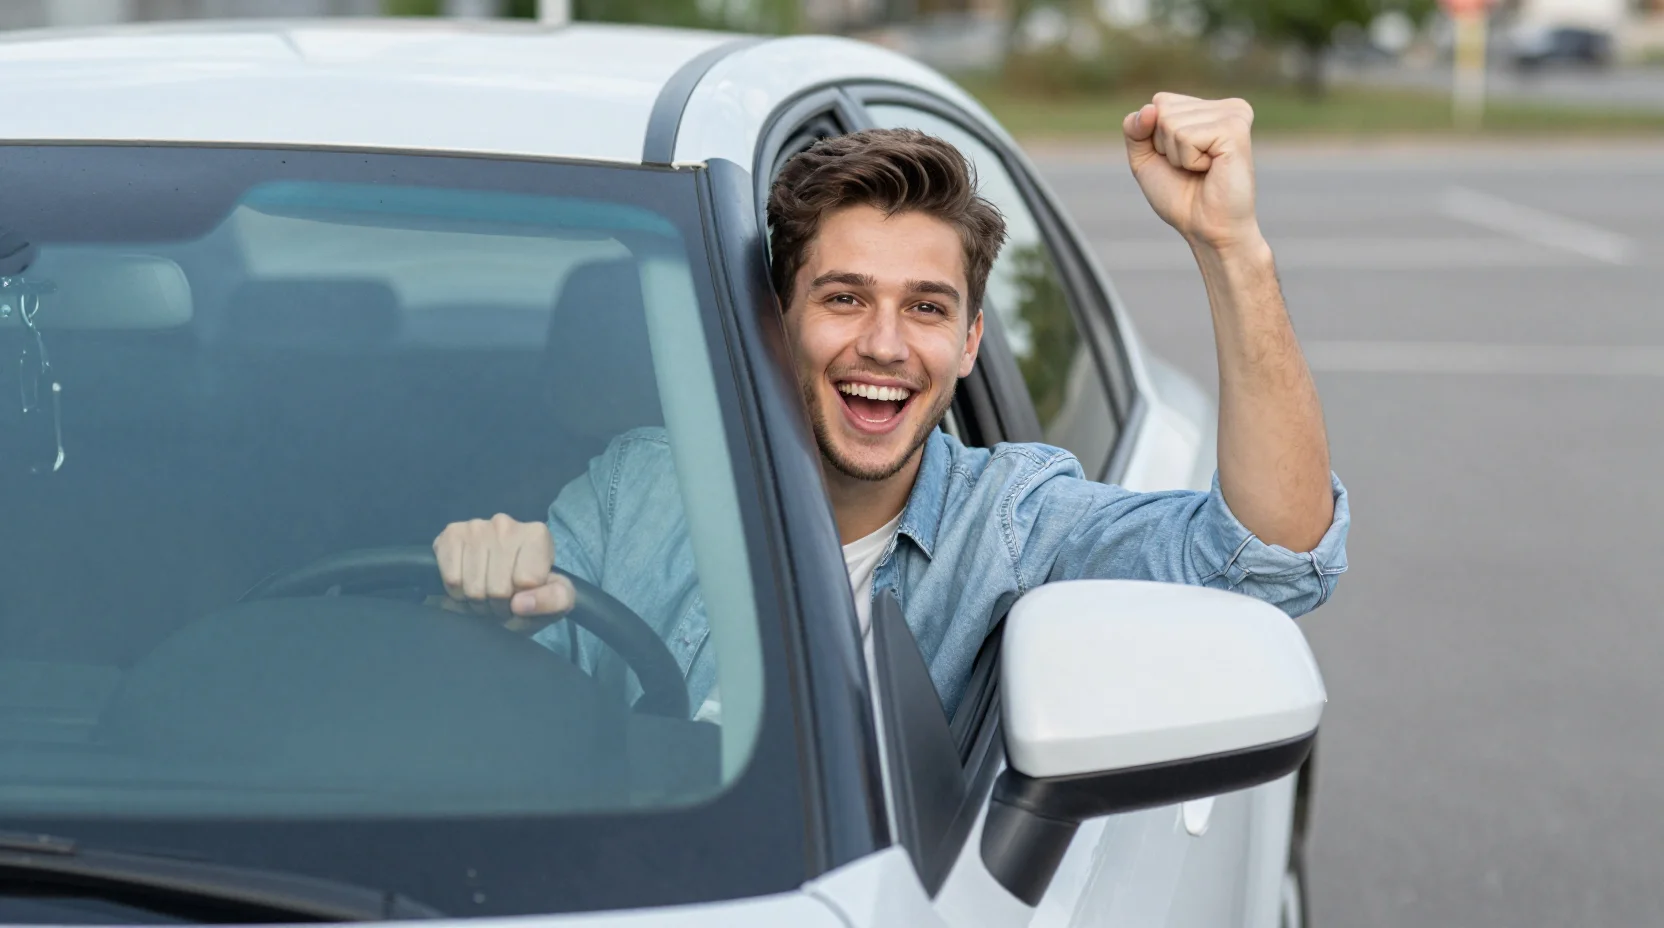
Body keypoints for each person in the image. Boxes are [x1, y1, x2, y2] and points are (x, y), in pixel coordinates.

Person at [432, 94, 1349, 719]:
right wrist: (489, 594)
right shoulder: (636, 486)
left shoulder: (1013, 525)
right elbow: (507, 713)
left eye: (926, 308)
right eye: (844, 298)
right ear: (776, 321)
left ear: (971, 343)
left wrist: (1232, 248)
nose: (883, 344)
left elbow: (1272, 564)